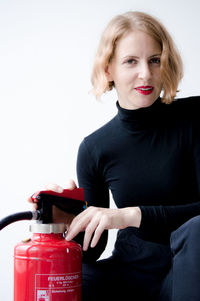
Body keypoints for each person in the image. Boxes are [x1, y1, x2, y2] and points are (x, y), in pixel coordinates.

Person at [29, 11, 200, 300]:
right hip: (130, 269)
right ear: (109, 70)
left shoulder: (195, 118)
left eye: (154, 60)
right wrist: (66, 221)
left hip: (189, 266)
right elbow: (92, 250)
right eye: (131, 61)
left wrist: (133, 215)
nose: (145, 73)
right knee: (59, 280)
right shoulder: (94, 148)